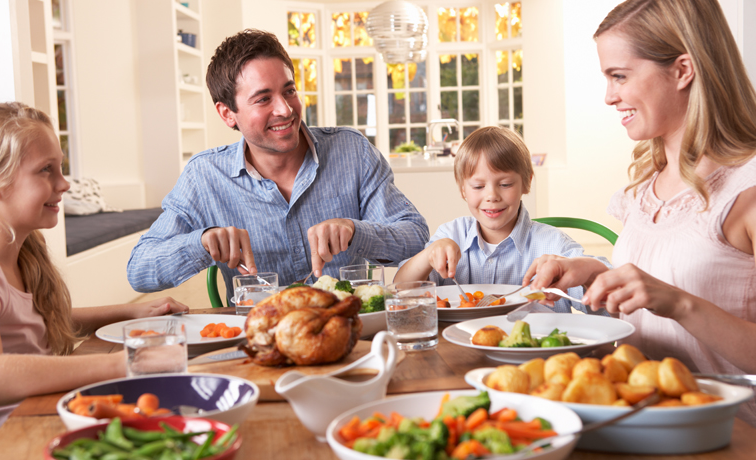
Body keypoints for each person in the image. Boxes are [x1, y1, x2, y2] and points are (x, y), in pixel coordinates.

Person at [523, 0, 756, 425]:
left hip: (729, 437)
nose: (610, 96)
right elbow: (659, 279)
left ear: (683, 70)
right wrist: (591, 271)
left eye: (619, 76)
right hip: (641, 424)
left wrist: (680, 304)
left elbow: (675, 295)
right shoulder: (647, 185)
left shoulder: (747, 189)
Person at [126, 29, 429, 304]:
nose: (285, 109)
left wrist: (355, 231)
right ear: (228, 113)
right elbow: (140, 270)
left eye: (289, 91)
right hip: (263, 340)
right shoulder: (204, 176)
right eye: (263, 99)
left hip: (351, 329)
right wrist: (201, 243)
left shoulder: (352, 150)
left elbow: (415, 234)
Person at [0, 102, 189, 439]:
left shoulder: (24, 255)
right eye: (46, 170)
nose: (64, 183)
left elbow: (35, 322)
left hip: (42, 415)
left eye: (61, 168)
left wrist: (131, 312)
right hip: (10, 440)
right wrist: (125, 362)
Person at [394, 126, 610, 313]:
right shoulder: (451, 235)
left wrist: (583, 270)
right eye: (478, 187)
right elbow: (400, 291)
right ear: (463, 191)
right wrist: (427, 256)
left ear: (526, 183)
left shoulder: (553, 245)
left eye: (505, 184)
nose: (492, 196)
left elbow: (606, 304)